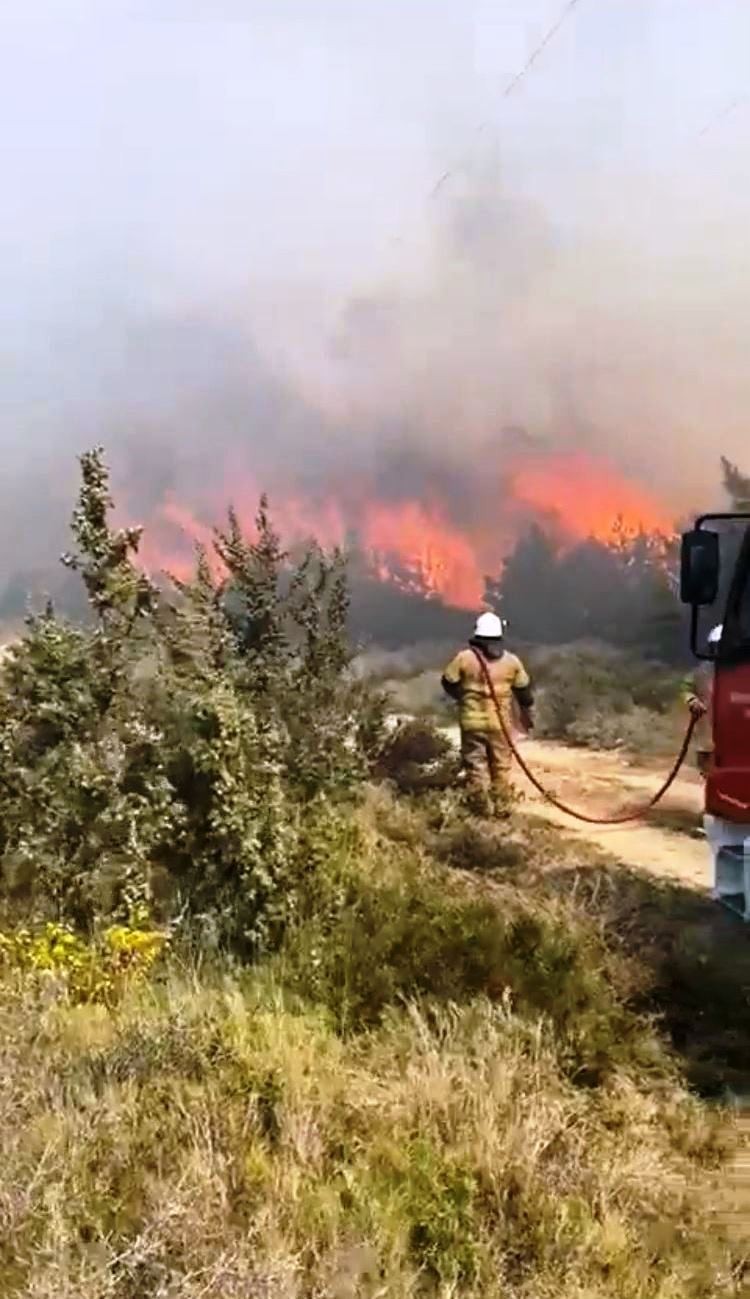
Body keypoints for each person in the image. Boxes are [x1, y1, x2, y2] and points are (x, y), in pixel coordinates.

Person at [441, 612, 533, 814]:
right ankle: (502, 808)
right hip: (500, 724)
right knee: (501, 766)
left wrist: (463, 697)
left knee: (476, 766)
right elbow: (524, 691)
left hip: (471, 723)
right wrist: (526, 714)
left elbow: (448, 681)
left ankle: (482, 810)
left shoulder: (464, 658)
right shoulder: (511, 661)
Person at [684, 623, 721, 774]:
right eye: (718, 646)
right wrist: (692, 700)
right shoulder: (702, 671)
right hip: (707, 735)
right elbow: (685, 687)